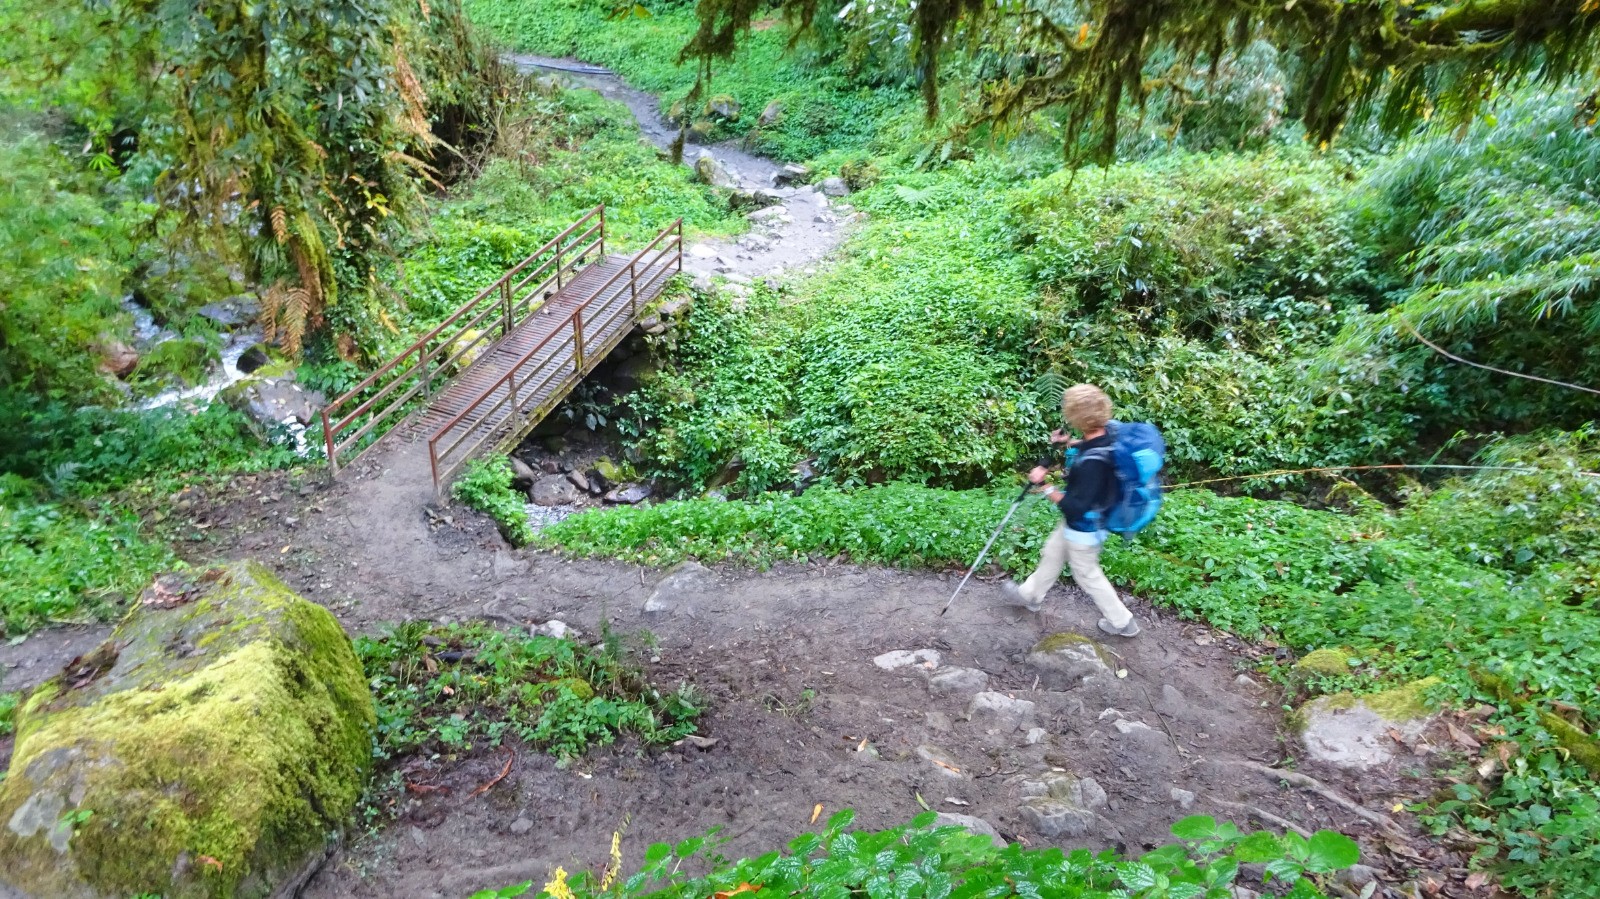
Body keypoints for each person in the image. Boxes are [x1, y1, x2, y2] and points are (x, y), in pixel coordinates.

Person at [1001, 383, 1141, 637]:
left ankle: (1123, 622)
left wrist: (1044, 485)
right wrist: (1067, 443)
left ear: (1078, 418)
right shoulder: (1108, 432)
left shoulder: (1092, 465)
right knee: (1052, 553)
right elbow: (1090, 445)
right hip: (1085, 520)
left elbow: (1074, 506)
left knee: (1087, 574)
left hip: (1086, 526)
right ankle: (1029, 595)